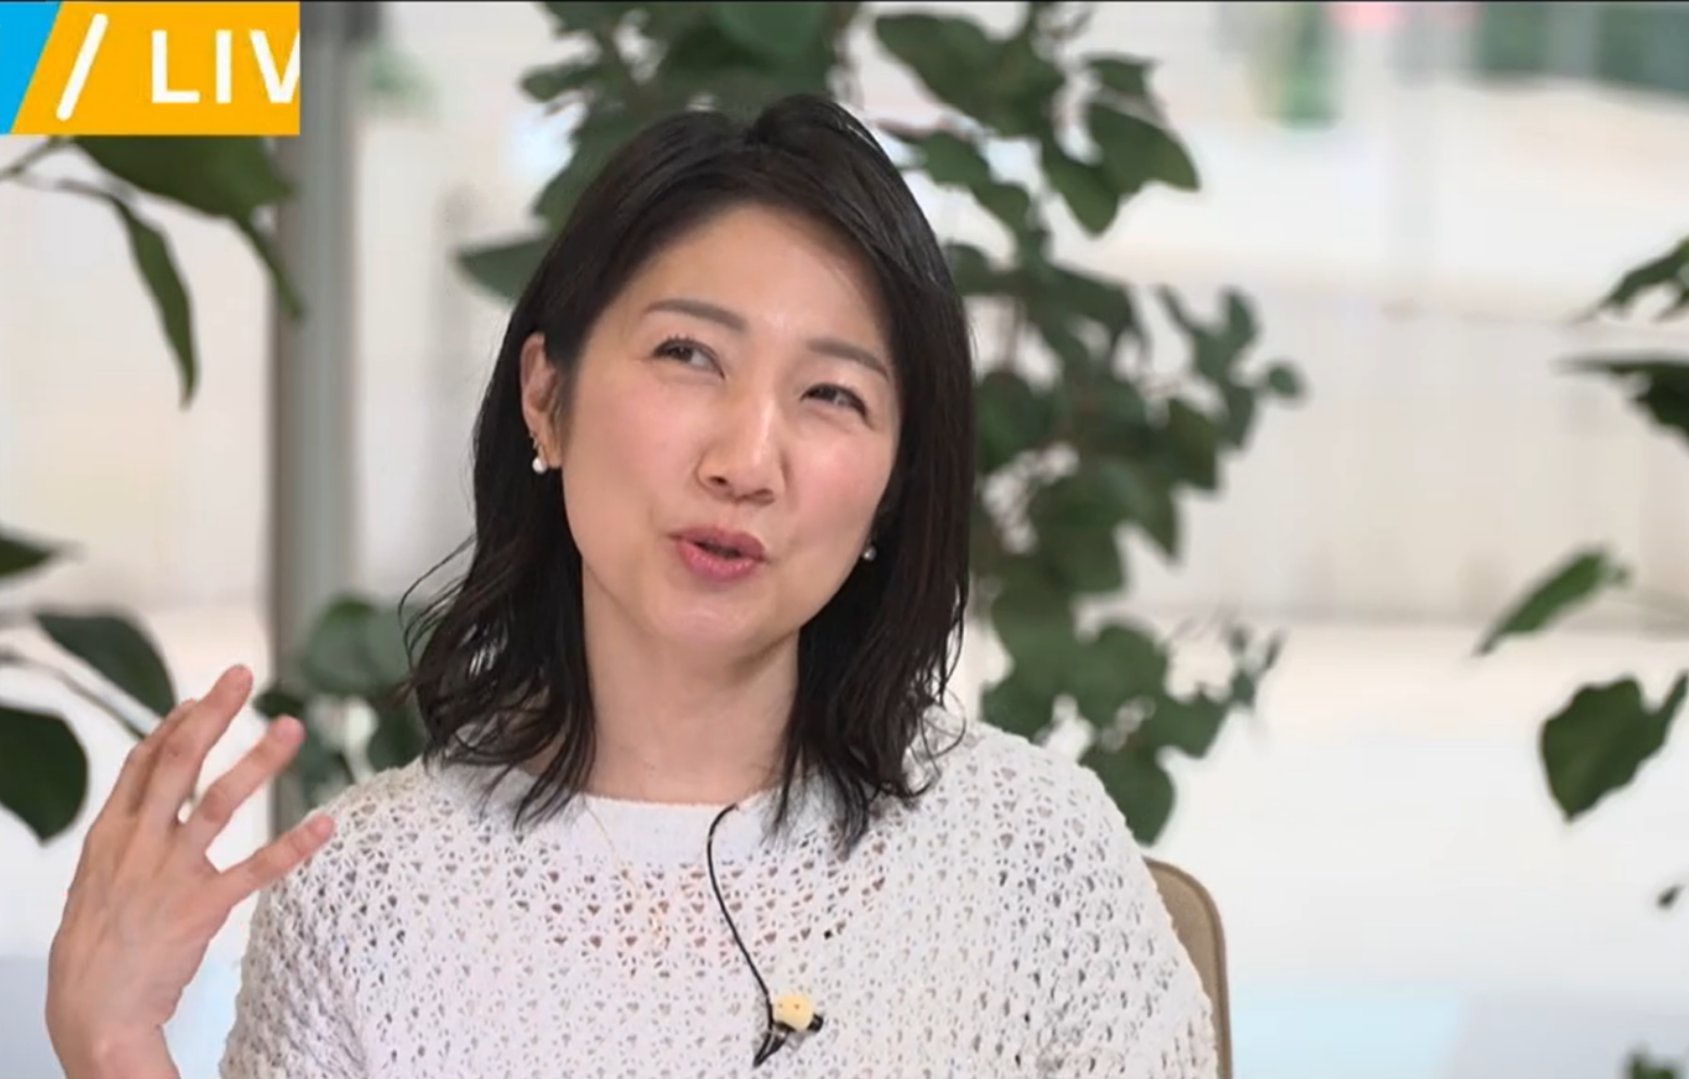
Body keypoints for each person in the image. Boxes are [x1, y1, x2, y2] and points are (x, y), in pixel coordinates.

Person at [44, 93, 1218, 1078]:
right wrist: (114, 1044)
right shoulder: (365, 896)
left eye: (831, 395)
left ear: (893, 487)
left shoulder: (1033, 857)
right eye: (687, 354)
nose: (745, 460)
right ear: (545, 396)